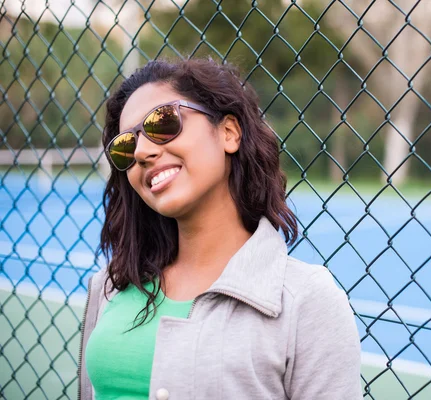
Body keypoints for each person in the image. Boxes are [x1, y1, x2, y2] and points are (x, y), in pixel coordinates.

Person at [77, 57, 362, 400]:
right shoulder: (112, 283)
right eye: (126, 145)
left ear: (229, 132)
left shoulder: (306, 301)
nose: (142, 152)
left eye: (163, 122)